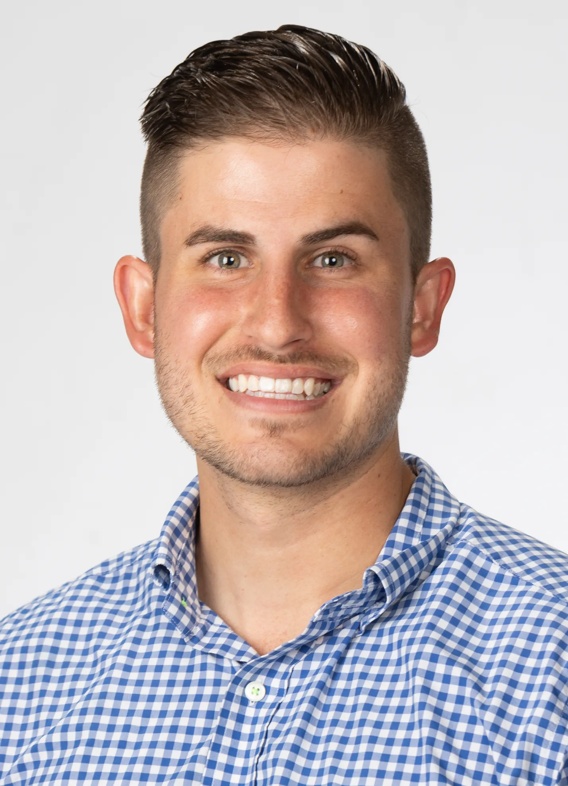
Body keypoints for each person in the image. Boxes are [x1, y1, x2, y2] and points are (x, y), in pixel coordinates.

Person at [1, 23, 567, 785]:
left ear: (421, 307)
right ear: (143, 307)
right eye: (226, 258)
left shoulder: (552, 668)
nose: (277, 323)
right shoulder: (20, 686)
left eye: (333, 260)